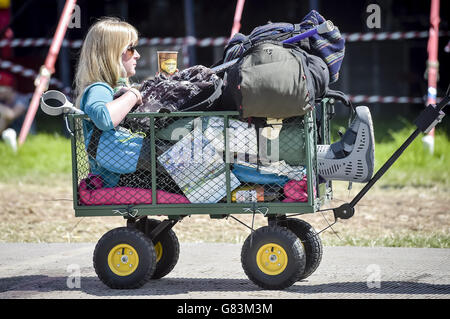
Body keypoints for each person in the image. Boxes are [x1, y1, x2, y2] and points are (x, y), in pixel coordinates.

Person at [74, 17, 143, 188]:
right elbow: (104, 118)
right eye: (131, 49)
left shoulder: (112, 88)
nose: (138, 55)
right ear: (112, 53)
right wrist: (133, 94)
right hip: (119, 179)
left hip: (131, 172)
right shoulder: (99, 88)